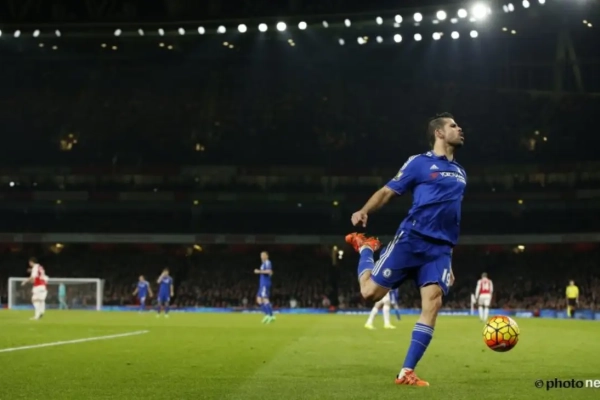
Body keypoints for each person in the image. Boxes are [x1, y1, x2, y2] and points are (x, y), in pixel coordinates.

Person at [346, 112, 465, 387]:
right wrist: (364, 210)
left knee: (433, 303)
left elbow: (452, 217)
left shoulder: (461, 172)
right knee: (370, 293)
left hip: (440, 249)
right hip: (411, 240)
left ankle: (406, 372)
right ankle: (366, 248)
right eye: (453, 125)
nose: (460, 129)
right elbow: (388, 191)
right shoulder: (419, 163)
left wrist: (449, 259)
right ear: (439, 133)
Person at [254, 251, 274, 324]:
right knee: (259, 299)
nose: (262, 256)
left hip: (265, 283)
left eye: (263, 255)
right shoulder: (263, 264)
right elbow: (270, 272)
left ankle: (270, 315)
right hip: (262, 284)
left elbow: (269, 271)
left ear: (267, 256)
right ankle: (267, 314)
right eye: (261, 255)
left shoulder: (267, 262)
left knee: (265, 299)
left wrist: (259, 271)